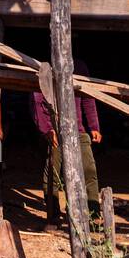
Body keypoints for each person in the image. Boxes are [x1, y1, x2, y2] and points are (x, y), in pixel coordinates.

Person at [32, 70, 102, 225]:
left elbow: (88, 98)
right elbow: (37, 101)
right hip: (55, 131)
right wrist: (47, 129)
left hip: (78, 130)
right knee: (52, 175)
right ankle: (54, 216)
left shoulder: (80, 67)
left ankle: (94, 215)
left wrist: (94, 126)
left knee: (89, 172)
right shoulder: (44, 68)